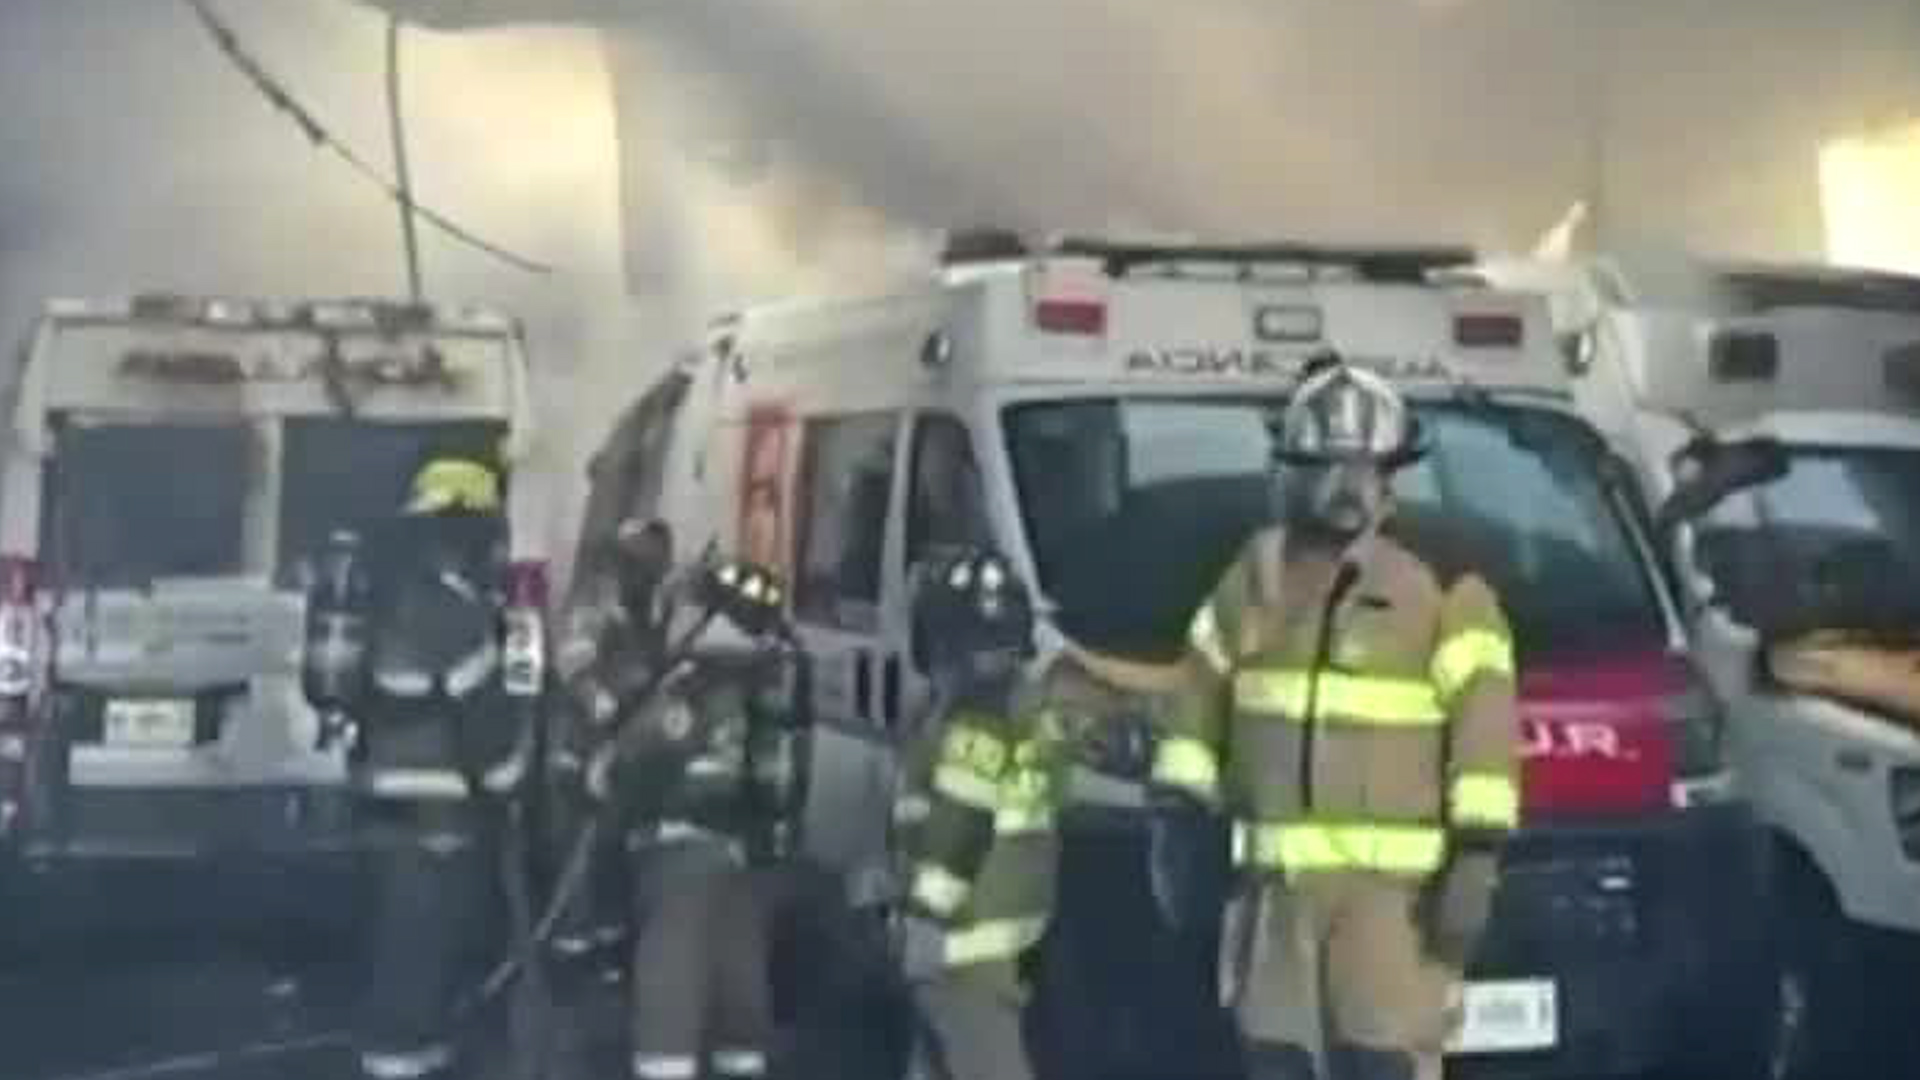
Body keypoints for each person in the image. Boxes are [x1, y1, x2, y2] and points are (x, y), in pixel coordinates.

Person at [1147, 354, 1523, 1080]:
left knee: (1381, 1063)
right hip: (1272, 904)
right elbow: (1196, 705)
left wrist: (1476, 856)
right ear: (1291, 469)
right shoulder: (1254, 580)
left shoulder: (1445, 588)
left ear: (1393, 474)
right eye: (1324, 467)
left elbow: (1484, 740)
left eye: (1362, 468)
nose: (1344, 488)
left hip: (1392, 910)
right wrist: (1176, 814)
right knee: (1278, 1063)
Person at [582, 552, 810, 1080]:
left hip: (681, 849)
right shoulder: (771, 675)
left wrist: (604, 768)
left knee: (671, 973)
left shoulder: (691, 682)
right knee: (740, 978)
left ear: (712, 613)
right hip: (751, 859)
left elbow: (628, 761)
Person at [350, 456, 529, 1080]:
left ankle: (413, 1061)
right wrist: (512, 787)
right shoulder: (453, 612)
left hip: (394, 817)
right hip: (435, 824)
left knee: (411, 960)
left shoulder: (401, 597)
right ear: (469, 532)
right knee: (417, 968)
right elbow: (486, 723)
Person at [891, 548, 1076, 1080]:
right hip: (1006, 933)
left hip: (963, 943)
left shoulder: (975, 720)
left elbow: (959, 824)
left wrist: (924, 919)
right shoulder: (1032, 708)